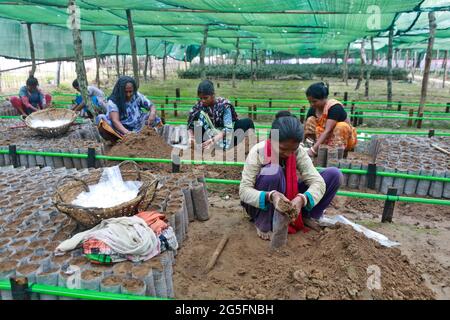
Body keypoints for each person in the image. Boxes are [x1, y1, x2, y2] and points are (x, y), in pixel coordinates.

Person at [239, 111, 342, 240]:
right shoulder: (259, 151)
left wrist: (301, 199)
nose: (288, 154)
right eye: (283, 149)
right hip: (262, 203)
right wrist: (271, 196)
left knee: (334, 175)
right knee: (273, 171)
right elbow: (244, 191)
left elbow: (318, 182)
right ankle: (263, 222)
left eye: (292, 150)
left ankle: (306, 216)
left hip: (290, 196)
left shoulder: (298, 152)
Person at [187, 80, 254, 150]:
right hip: (206, 139)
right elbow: (190, 125)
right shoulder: (197, 107)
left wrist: (214, 139)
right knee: (197, 114)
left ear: (213, 95)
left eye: (205, 98)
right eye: (201, 98)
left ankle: (247, 149)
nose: (203, 100)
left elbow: (228, 128)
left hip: (225, 137)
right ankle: (201, 145)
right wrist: (191, 137)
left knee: (247, 122)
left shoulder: (224, 105)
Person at [96, 76, 161, 140]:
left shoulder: (137, 95)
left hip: (138, 125)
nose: (128, 94)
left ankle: (147, 136)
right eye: (125, 92)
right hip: (121, 129)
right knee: (101, 119)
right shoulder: (113, 101)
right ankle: (121, 140)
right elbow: (115, 121)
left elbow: (151, 106)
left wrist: (152, 113)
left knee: (155, 117)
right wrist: (128, 133)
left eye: (130, 91)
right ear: (120, 90)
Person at [303, 82, 357, 158]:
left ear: (324, 98)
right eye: (310, 102)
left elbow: (328, 131)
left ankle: (335, 156)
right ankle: (314, 147)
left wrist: (313, 150)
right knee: (310, 120)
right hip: (323, 139)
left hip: (342, 140)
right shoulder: (313, 109)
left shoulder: (334, 108)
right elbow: (305, 128)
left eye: (314, 101)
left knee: (341, 126)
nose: (311, 104)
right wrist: (300, 146)